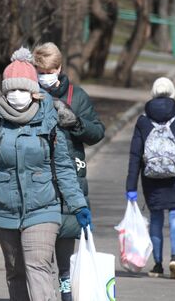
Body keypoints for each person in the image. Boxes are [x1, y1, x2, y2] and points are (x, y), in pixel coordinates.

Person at [0, 48, 92, 301]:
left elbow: (63, 169)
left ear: (34, 91)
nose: (16, 95)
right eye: (11, 90)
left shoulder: (51, 122)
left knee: (38, 267)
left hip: (43, 209)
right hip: (4, 212)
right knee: (15, 272)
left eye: (22, 89)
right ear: (4, 91)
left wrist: (78, 205)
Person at [32, 42, 105, 301]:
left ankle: (65, 287)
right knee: (37, 248)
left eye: (50, 70)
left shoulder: (77, 96)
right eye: (40, 70)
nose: (45, 76)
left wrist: (75, 122)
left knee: (65, 241)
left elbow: (97, 132)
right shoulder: (28, 93)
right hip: (36, 176)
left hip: (69, 177)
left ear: (59, 68)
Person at [125, 77, 175, 280]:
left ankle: (158, 265)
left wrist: (131, 187)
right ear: (172, 94)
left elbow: (135, 156)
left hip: (151, 178)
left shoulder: (143, 122)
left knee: (156, 218)